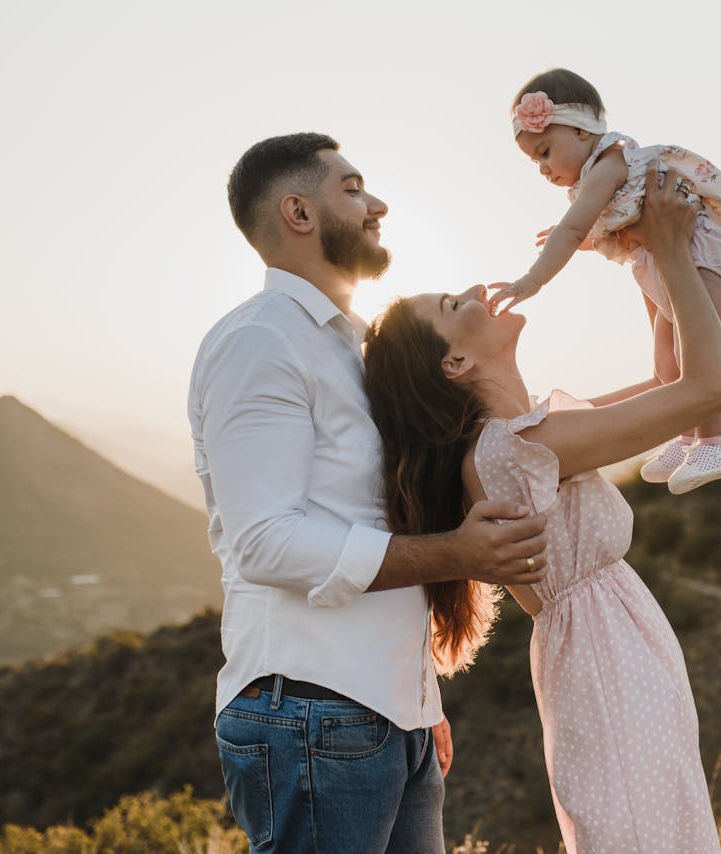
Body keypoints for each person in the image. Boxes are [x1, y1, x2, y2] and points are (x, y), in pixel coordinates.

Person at [187, 132, 550, 854]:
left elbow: (370, 513)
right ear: (298, 212)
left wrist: (417, 701)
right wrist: (456, 552)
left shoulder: (348, 348)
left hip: (385, 717)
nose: (377, 203)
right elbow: (266, 541)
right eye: (352, 189)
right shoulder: (261, 342)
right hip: (312, 714)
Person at [363, 161, 721, 852]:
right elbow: (711, 387)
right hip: (605, 661)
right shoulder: (515, 451)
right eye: (455, 304)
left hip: (615, 649)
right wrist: (677, 254)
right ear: (455, 365)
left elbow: (673, 381)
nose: (479, 291)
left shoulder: (525, 439)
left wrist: (649, 259)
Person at [488, 67, 721, 494]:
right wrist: (587, 244)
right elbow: (620, 228)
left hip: (702, 259)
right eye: (533, 161)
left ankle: (713, 440)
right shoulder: (597, 177)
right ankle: (685, 436)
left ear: (580, 131)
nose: (542, 168)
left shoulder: (610, 162)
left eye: (544, 151)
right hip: (664, 263)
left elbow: (574, 227)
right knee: (666, 363)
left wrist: (530, 281)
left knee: (695, 352)